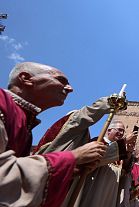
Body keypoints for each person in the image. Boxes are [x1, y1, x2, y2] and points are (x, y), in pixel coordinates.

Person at [0, 62, 107, 206]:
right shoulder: (3, 106)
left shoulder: (25, 123)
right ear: (26, 78)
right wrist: (72, 157)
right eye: (61, 80)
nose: (70, 88)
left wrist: (69, 169)